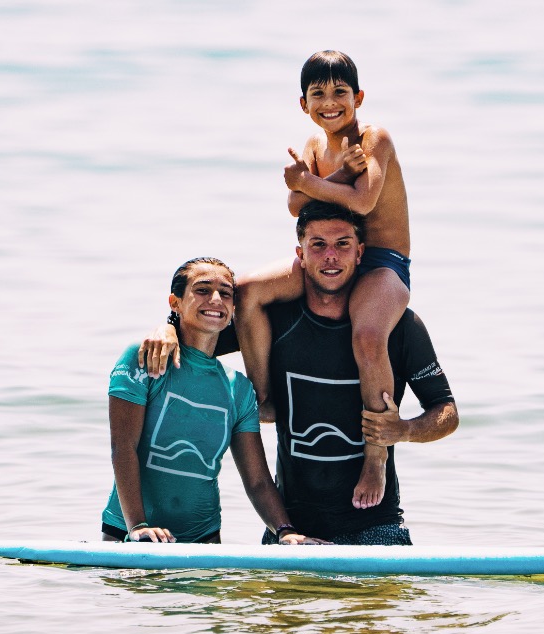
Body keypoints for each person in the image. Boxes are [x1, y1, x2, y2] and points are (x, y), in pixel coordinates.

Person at [140, 203, 458, 545]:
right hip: (290, 529)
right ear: (300, 255)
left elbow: (446, 412)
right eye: (318, 245)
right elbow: (198, 335)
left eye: (343, 244)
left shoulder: (397, 327)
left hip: (376, 524)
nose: (330, 256)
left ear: (360, 253)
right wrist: (167, 328)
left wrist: (404, 430)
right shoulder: (274, 320)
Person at [235, 50, 412, 512]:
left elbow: (364, 200)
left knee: (368, 334)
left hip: (380, 261)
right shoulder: (314, 146)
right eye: (318, 94)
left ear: (359, 98)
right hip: (328, 255)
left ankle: (376, 455)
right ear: (303, 103)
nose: (330, 102)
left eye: (340, 92)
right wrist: (333, 176)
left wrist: (308, 182)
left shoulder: (374, 138)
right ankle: (264, 397)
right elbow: (296, 207)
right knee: (247, 289)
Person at [102, 256, 323, 545]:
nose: (216, 299)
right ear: (175, 302)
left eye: (226, 293)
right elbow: (122, 447)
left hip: (204, 540)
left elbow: (257, 481)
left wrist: (285, 530)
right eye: (203, 290)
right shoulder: (144, 358)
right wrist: (138, 526)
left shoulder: (238, 388)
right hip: (128, 533)